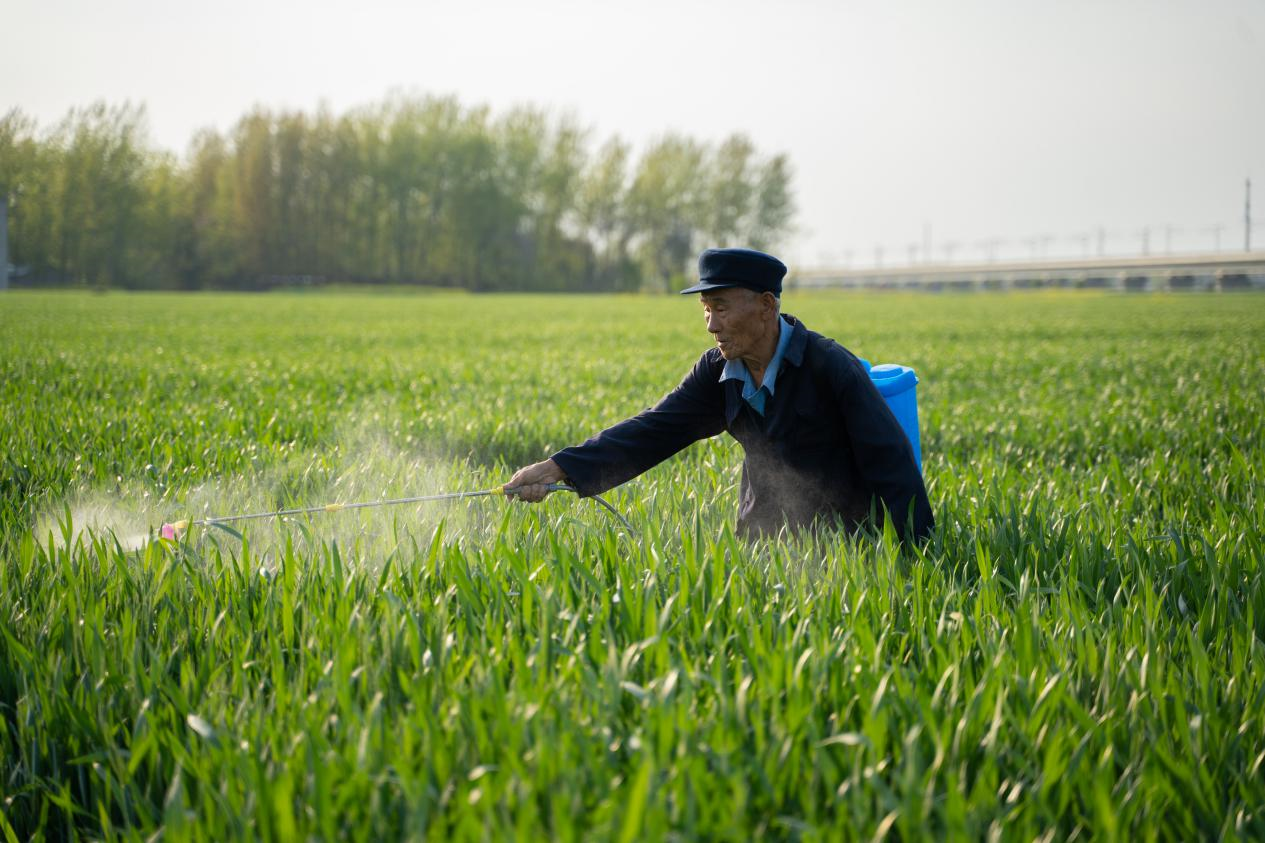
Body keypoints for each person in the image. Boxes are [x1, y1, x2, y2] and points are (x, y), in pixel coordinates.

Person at [506, 247, 934, 541]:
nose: (711, 325)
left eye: (722, 307)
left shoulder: (829, 367)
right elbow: (653, 431)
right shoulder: (718, 373)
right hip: (765, 545)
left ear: (767, 306)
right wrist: (558, 467)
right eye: (706, 309)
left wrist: (914, 560)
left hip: (846, 545)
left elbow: (892, 468)